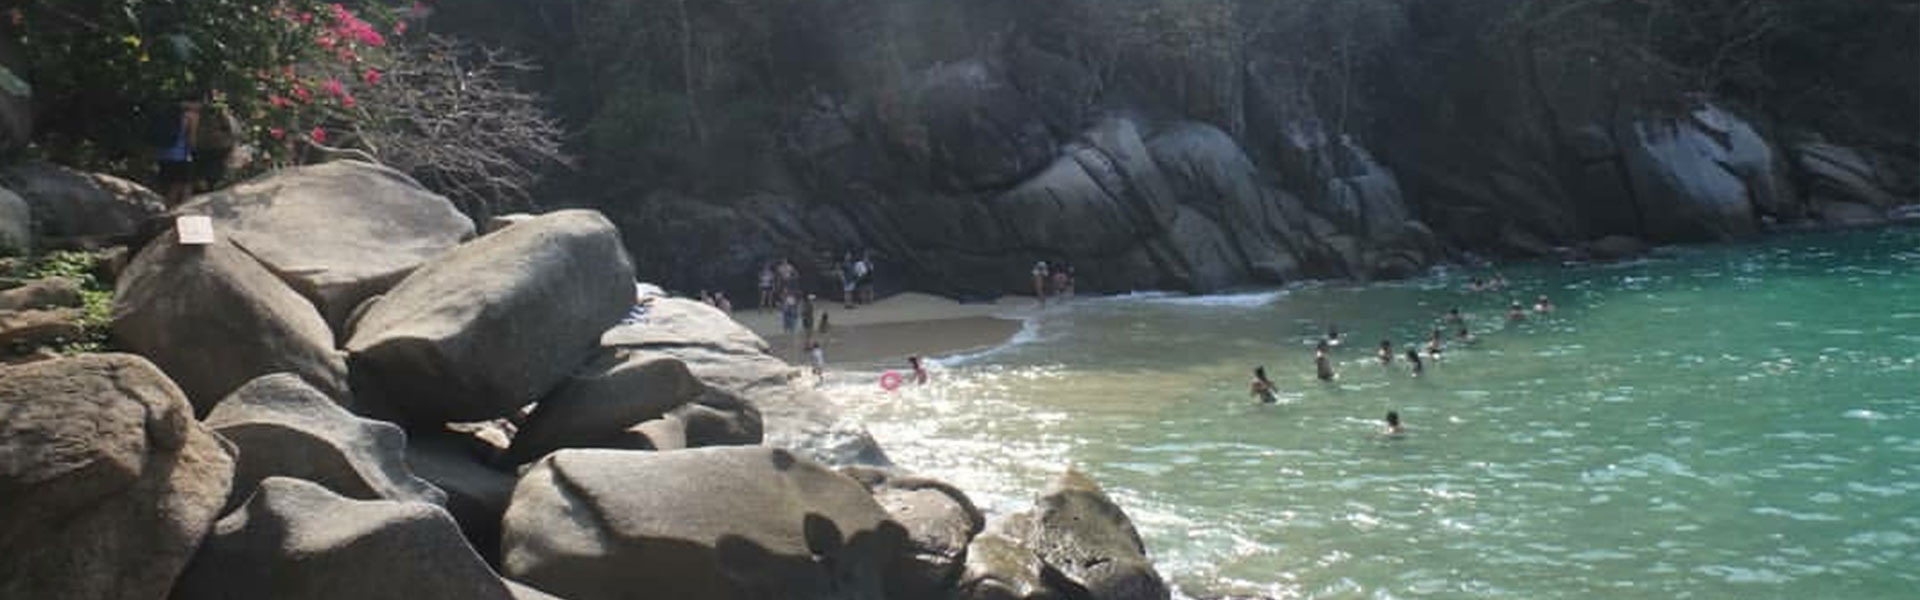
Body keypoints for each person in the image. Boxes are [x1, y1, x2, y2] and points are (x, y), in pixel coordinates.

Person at [154, 96, 202, 207]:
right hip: (179, 156)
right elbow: (191, 140)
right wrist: (194, 152)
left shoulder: (168, 112)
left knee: (169, 187)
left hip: (162, 154)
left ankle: (166, 212)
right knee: (185, 185)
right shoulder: (192, 116)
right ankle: (180, 215)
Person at [191, 94, 239, 191]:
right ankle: (209, 187)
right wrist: (231, 146)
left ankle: (205, 188)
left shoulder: (195, 112)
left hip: (201, 147)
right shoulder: (219, 112)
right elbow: (230, 130)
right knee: (213, 172)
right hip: (218, 146)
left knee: (203, 172)